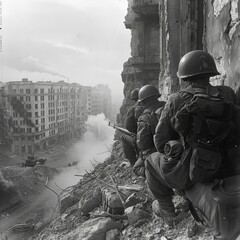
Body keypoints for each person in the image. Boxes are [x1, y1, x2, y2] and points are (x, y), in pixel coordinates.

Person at [144, 50, 237, 226]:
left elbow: (160, 141)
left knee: (150, 161)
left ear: (184, 77)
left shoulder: (176, 99)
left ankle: (168, 212)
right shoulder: (227, 94)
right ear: (211, 73)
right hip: (231, 164)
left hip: (197, 169)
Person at [132, 85, 166, 177]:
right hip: (174, 147)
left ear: (142, 102)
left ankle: (155, 175)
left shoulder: (144, 118)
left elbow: (143, 145)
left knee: (136, 168)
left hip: (158, 152)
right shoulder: (167, 106)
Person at [121, 88, 144, 166]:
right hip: (158, 140)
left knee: (124, 137)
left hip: (144, 141)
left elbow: (129, 127)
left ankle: (133, 163)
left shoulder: (134, 109)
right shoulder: (159, 105)